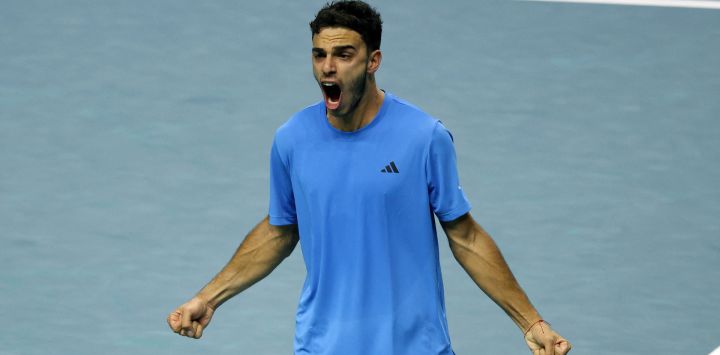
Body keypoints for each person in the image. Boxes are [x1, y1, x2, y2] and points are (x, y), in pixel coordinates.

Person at [167, 1, 572, 354]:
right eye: (319, 55)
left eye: (344, 55)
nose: (328, 67)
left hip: (415, 347)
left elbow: (464, 235)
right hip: (322, 346)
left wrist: (530, 323)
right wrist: (210, 298)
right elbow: (279, 230)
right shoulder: (291, 139)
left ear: (372, 61)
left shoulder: (423, 137)